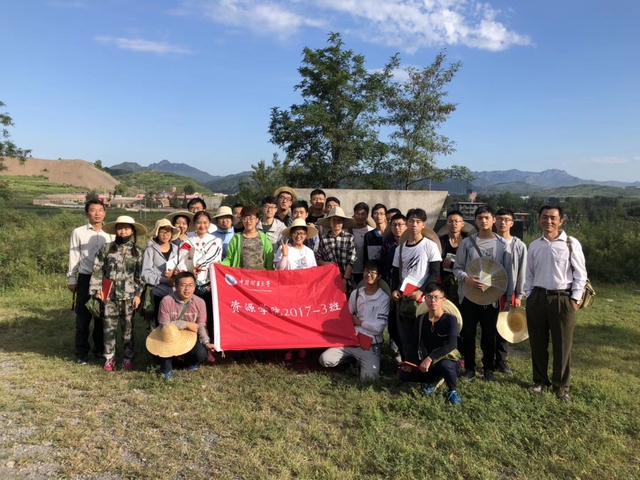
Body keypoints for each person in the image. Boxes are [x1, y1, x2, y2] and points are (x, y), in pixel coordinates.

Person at [524, 205, 587, 403]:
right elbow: (529, 274)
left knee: (562, 345)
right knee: (537, 342)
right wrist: (529, 295)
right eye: (544, 217)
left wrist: (575, 299)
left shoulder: (570, 243)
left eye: (553, 218)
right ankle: (539, 380)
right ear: (539, 219)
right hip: (537, 297)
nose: (548, 221)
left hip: (562, 299)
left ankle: (561, 386)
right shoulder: (534, 245)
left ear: (561, 221)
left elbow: (580, 274)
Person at [453, 205, 511, 383]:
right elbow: (457, 268)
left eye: (487, 217)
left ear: (494, 220)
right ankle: (469, 368)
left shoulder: (503, 245)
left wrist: (508, 297)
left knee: (489, 334)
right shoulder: (467, 243)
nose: (483, 221)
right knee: (468, 334)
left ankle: (488, 368)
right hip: (469, 295)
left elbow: (507, 272)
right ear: (475, 221)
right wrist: (467, 279)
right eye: (480, 218)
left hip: (492, 297)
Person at [90, 215, 145, 372]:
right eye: (120, 228)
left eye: (127, 228)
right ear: (116, 230)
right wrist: (96, 289)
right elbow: (98, 269)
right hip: (109, 296)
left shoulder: (138, 252)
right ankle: (109, 358)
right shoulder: (106, 249)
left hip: (129, 297)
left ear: (132, 231)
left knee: (128, 329)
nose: (123, 231)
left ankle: (128, 358)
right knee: (109, 327)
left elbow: (140, 276)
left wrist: (138, 295)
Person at [319, 261, 390, 381]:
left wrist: (360, 323)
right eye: (366, 271)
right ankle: (350, 361)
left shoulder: (384, 298)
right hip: (352, 341)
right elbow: (347, 316)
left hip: (370, 345)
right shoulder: (356, 293)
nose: (368, 275)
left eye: (372, 272)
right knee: (324, 359)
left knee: (369, 379)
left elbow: (379, 328)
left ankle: (361, 363)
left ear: (379, 276)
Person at [67, 199, 115, 364]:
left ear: (105, 213)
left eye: (100, 210)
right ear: (87, 213)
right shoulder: (78, 232)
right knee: (83, 316)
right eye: (93, 210)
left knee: (102, 316)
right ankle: (82, 353)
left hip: (105, 279)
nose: (97, 213)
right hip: (86, 277)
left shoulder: (110, 233)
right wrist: (72, 278)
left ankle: (100, 349)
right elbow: (74, 256)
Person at [391, 208, 442, 361]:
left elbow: (435, 273)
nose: (414, 224)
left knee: (424, 335)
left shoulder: (430, 245)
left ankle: (425, 366)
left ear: (423, 225)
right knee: (405, 335)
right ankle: (408, 365)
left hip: (423, 298)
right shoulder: (399, 249)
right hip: (404, 297)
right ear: (407, 223)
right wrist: (395, 290)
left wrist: (422, 291)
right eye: (411, 221)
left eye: (418, 222)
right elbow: (395, 273)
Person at [399, 284, 463, 406]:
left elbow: (451, 345)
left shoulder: (450, 319)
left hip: (446, 358)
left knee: (445, 366)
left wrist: (430, 358)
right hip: (427, 361)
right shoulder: (421, 319)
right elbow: (414, 343)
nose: (432, 300)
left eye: (436, 297)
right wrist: (410, 363)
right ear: (425, 299)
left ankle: (452, 391)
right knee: (404, 375)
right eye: (429, 297)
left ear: (443, 300)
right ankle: (434, 379)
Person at [149, 272, 218, 379]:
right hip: (170, 337)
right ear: (176, 286)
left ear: (195, 287)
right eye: (183, 285)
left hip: (190, 337)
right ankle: (166, 370)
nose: (187, 289)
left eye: (190, 285)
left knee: (201, 353)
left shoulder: (200, 302)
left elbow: (201, 326)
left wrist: (206, 343)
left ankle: (189, 362)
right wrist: (186, 324)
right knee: (165, 342)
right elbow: (164, 324)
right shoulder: (166, 301)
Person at [274, 218, 319, 364]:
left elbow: (313, 273)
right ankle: (289, 349)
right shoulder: (284, 248)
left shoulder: (309, 252)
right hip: (287, 291)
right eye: (296, 233)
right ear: (291, 234)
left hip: (304, 293)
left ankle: (302, 347)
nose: (299, 236)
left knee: (303, 320)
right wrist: (285, 255)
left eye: (302, 233)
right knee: (289, 321)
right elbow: (279, 270)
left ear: (306, 236)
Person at [179, 211, 223, 340]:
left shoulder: (216, 241)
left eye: (205, 222)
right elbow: (182, 259)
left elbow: (212, 256)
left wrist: (199, 265)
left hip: (208, 282)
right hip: (190, 282)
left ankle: (209, 341)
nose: (202, 226)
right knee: (190, 314)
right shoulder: (187, 240)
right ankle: (189, 341)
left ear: (209, 224)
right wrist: (186, 270)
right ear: (194, 224)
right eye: (199, 222)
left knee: (209, 313)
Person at [494, 208, 528, 376]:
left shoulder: (519, 245)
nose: (503, 222)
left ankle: (501, 361)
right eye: (500, 219)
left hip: (510, 291)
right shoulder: (488, 242)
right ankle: (488, 360)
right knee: (488, 326)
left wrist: (519, 294)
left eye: (506, 219)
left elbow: (522, 271)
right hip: (490, 290)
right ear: (495, 221)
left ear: (512, 223)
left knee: (504, 326)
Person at [141, 219, 180, 329]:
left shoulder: (177, 249)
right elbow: (145, 273)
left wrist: (176, 274)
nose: (165, 234)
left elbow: (183, 267)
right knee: (159, 325)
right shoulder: (150, 250)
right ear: (157, 233)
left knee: (174, 325)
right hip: (157, 293)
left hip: (175, 293)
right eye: (162, 231)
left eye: (168, 231)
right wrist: (164, 280)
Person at [316, 207, 357, 297]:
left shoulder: (349, 237)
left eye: (339, 220)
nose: (336, 223)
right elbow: (318, 258)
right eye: (333, 220)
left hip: (346, 279)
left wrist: (345, 279)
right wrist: (329, 264)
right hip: (329, 279)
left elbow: (352, 260)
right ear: (329, 221)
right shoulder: (324, 238)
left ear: (343, 222)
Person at [221, 206, 275, 270]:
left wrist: (269, 273)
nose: (248, 221)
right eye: (245, 218)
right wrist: (219, 265)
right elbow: (229, 259)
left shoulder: (264, 238)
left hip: (260, 275)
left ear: (257, 220)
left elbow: (269, 260)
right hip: (241, 274)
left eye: (251, 218)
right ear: (242, 219)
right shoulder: (236, 239)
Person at [438, 210, 468, 305]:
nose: (453, 224)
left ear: (462, 224)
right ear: (447, 223)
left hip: (464, 281)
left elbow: (471, 263)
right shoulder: (440, 241)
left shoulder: (468, 241)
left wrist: (452, 265)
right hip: (445, 282)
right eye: (450, 221)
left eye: (456, 221)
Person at [351, 202, 374, 284]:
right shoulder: (348, 231)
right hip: (351, 271)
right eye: (357, 214)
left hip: (367, 272)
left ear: (367, 216)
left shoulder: (371, 232)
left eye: (363, 214)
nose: (360, 217)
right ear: (354, 215)